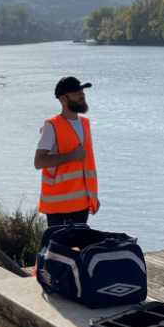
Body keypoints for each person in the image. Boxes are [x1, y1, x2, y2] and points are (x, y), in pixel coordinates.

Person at [34, 76, 100, 227]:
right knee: (59, 250)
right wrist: (72, 156)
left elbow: (87, 166)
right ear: (63, 99)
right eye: (77, 92)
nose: (82, 94)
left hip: (81, 205)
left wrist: (93, 197)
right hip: (59, 208)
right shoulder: (52, 126)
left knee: (78, 249)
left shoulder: (85, 124)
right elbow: (39, 162)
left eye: (82, 90)